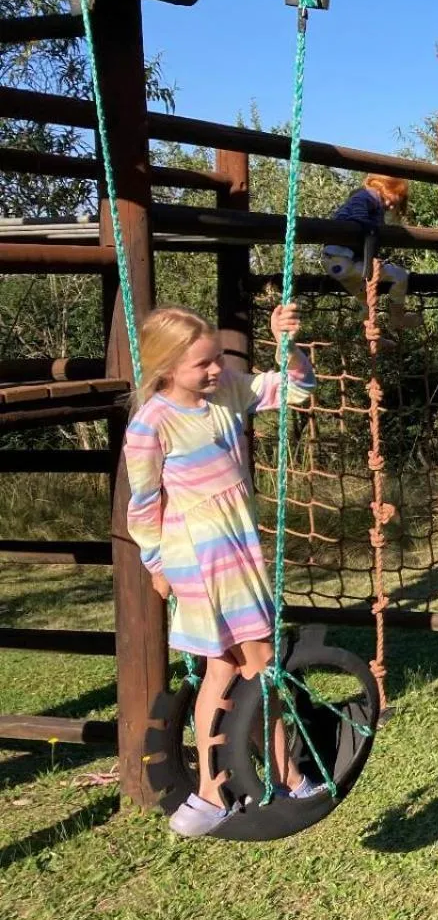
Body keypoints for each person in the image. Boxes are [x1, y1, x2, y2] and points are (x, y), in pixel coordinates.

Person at [124, 304, 322, 836]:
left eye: (215, 360)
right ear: (166, 367)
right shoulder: (152, 423)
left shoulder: (229, 391)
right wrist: (155, 562)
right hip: (199, 556)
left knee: (226, 669)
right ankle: (267, 779)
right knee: (258, 667)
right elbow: (143, 504)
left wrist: (287, 346)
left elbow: (299, 390)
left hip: (237, 549)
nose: (214, 371)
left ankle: (223, 787)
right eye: (201, 366)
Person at [321, 174, 421, 332]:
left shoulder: (370, 200)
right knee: (400, 276)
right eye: (395, 200)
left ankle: (373, 336)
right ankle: (397, 317)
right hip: (344, 260)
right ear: (389, 187)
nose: (390, 206)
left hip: (335, 262)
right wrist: (366, 224)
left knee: (367, 303)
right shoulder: (369, 195)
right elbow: (358, 209)